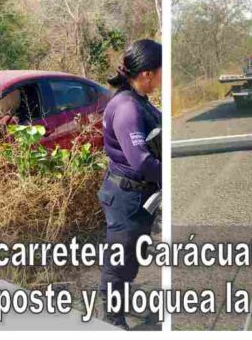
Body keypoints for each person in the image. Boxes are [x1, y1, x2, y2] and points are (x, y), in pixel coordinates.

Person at [98, 39, 162, 329]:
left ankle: (120, 305)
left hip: (136, 195)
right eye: (161, 72)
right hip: (127, 197)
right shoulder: (127, 108)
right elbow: (142, 162)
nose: (162, 78)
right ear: (147, 73)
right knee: (118, 264)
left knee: (130, 258)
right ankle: (113, 323)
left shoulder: (137, 100)